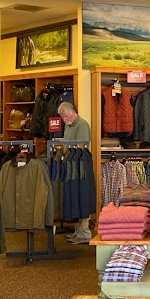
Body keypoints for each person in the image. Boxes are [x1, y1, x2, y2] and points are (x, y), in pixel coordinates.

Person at [58, 102, 93, 244]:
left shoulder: (82, 125)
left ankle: (84, 233)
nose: (64, 119)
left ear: (73, 112)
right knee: (73, 198)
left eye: (65, 116)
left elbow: (81, 147)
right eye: (62, 117)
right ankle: (77, 231)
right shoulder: (68, 125)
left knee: (81, 197)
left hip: (80, 166)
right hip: (71, 164)